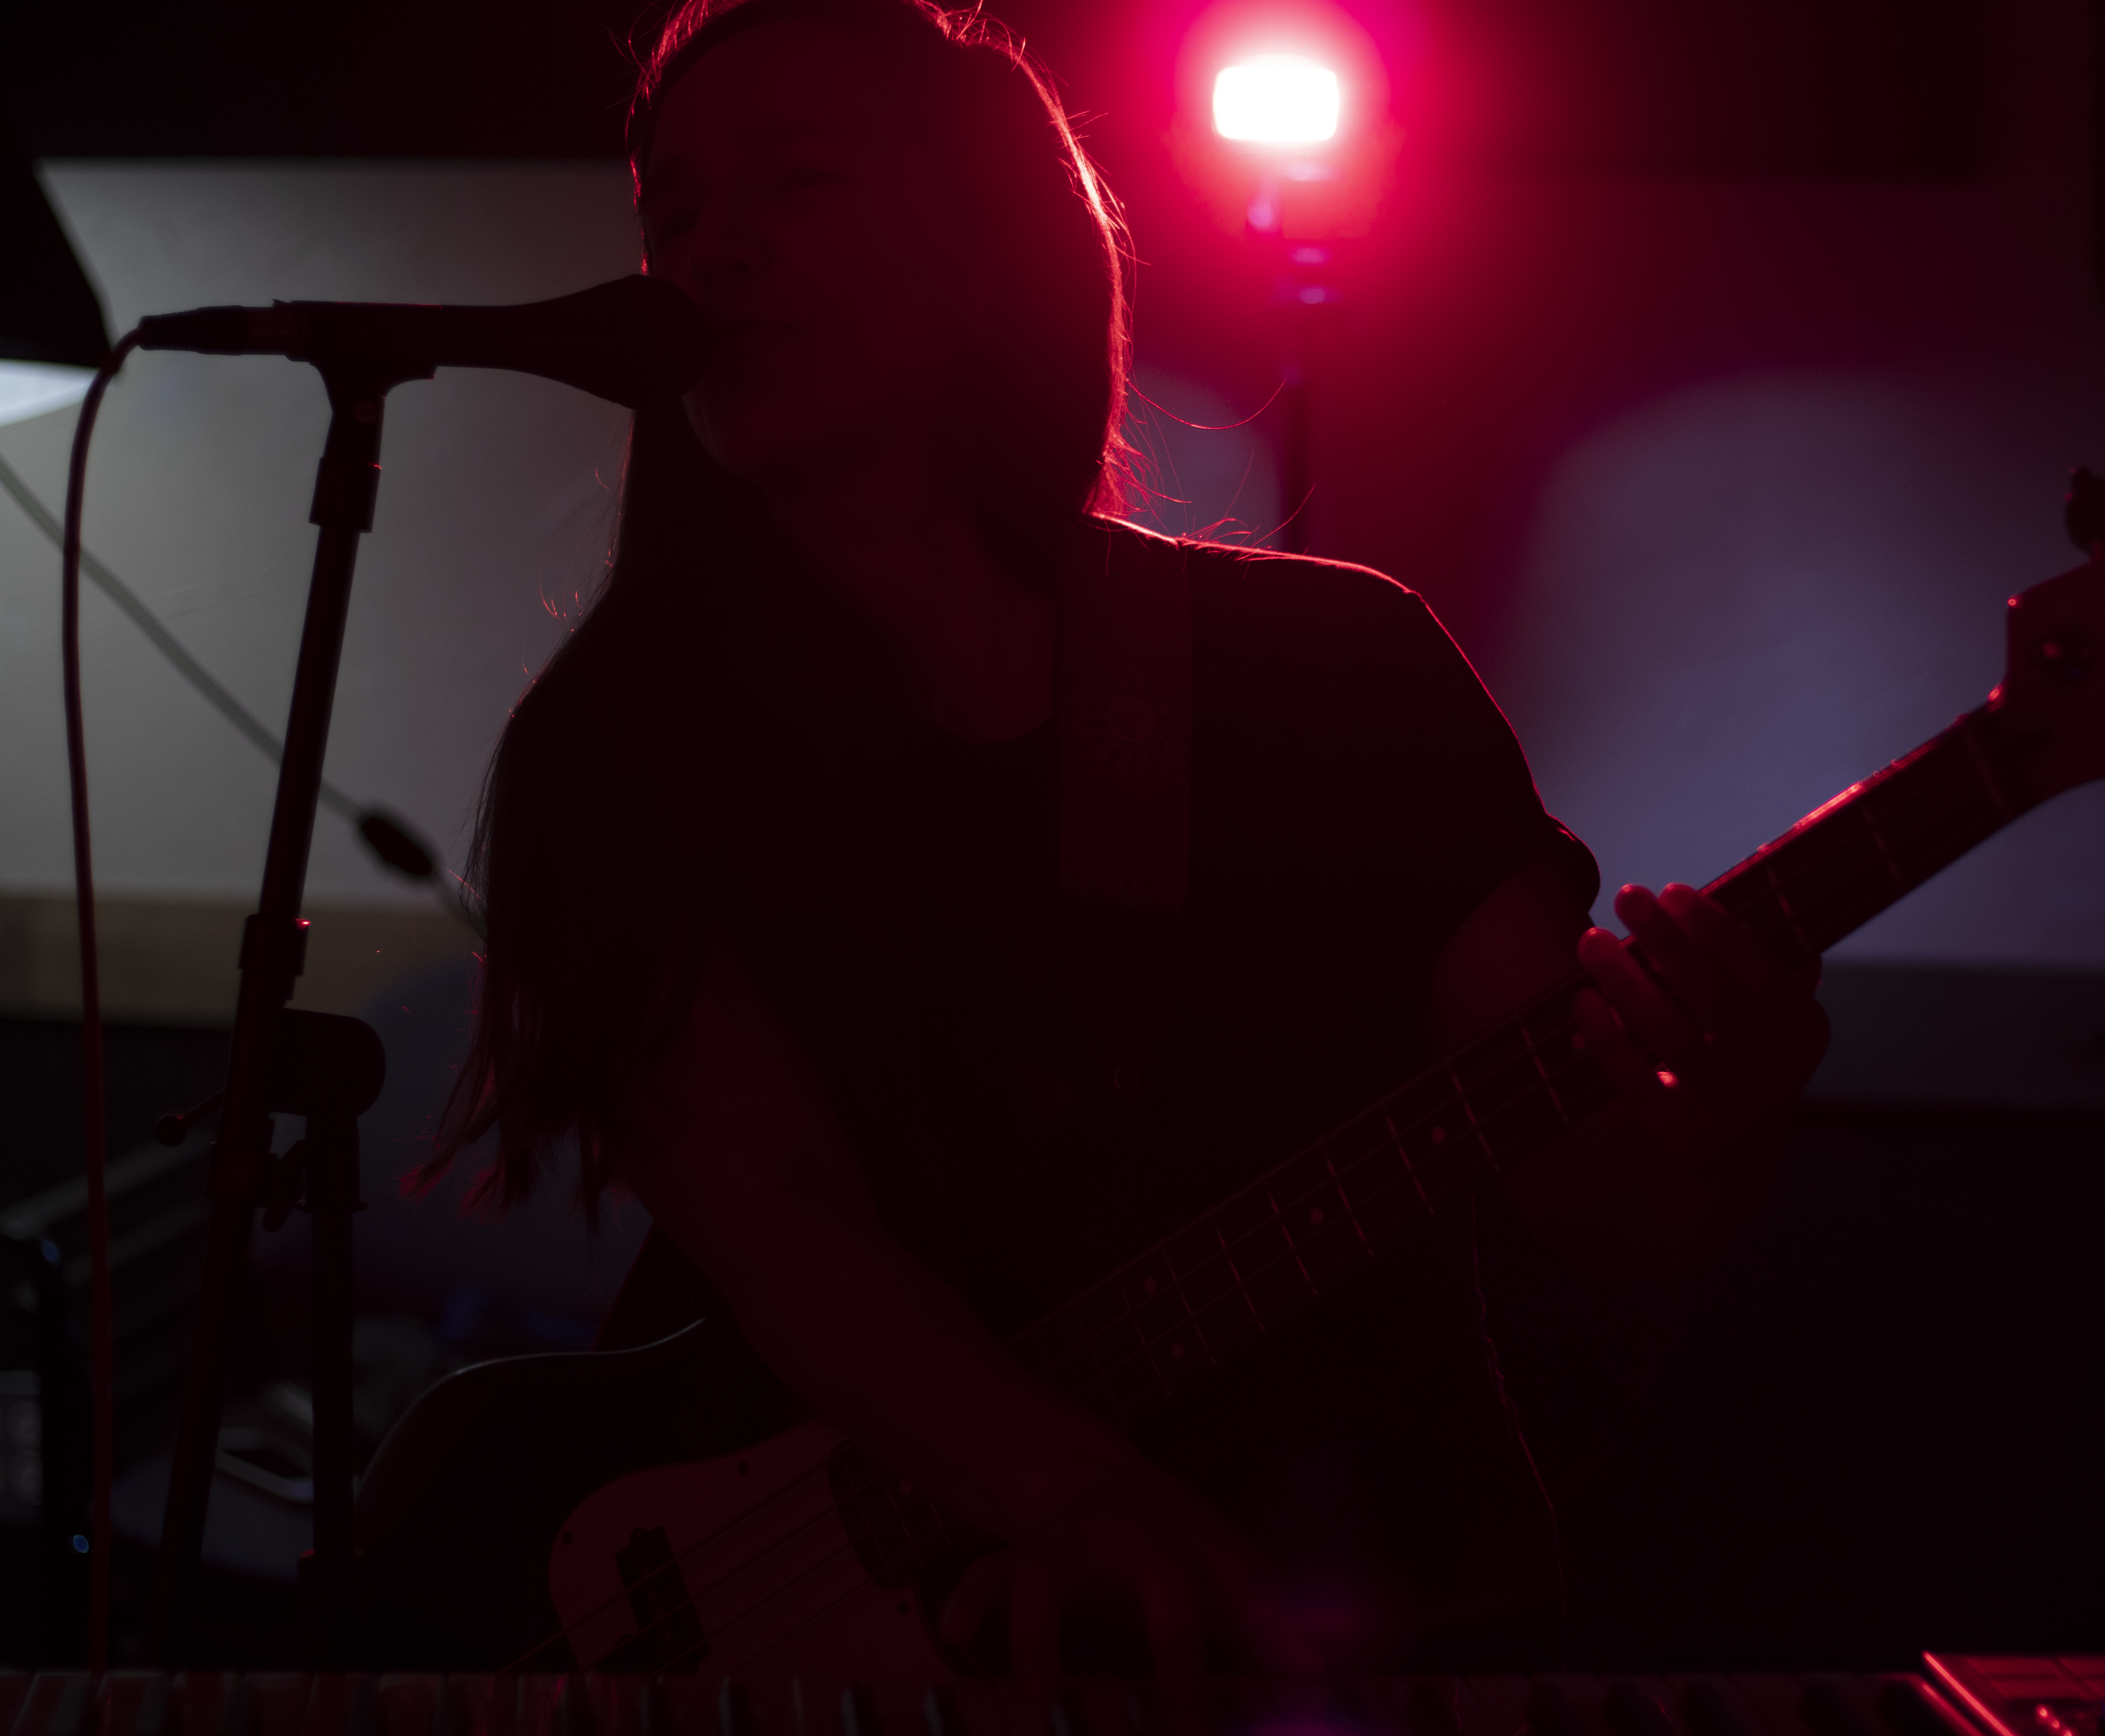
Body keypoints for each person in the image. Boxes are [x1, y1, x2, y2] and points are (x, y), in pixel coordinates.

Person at [426, 0, 1828, 1693]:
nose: (714, 252)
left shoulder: (1337, 677)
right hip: (841, 1645)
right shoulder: (621, 753)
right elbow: (774, 1215)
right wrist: (1074, 1496)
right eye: (677, 212)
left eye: (794, 185)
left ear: (989, 251)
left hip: (1366, 1633)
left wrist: (1716, 1119)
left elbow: (1598, 1200)